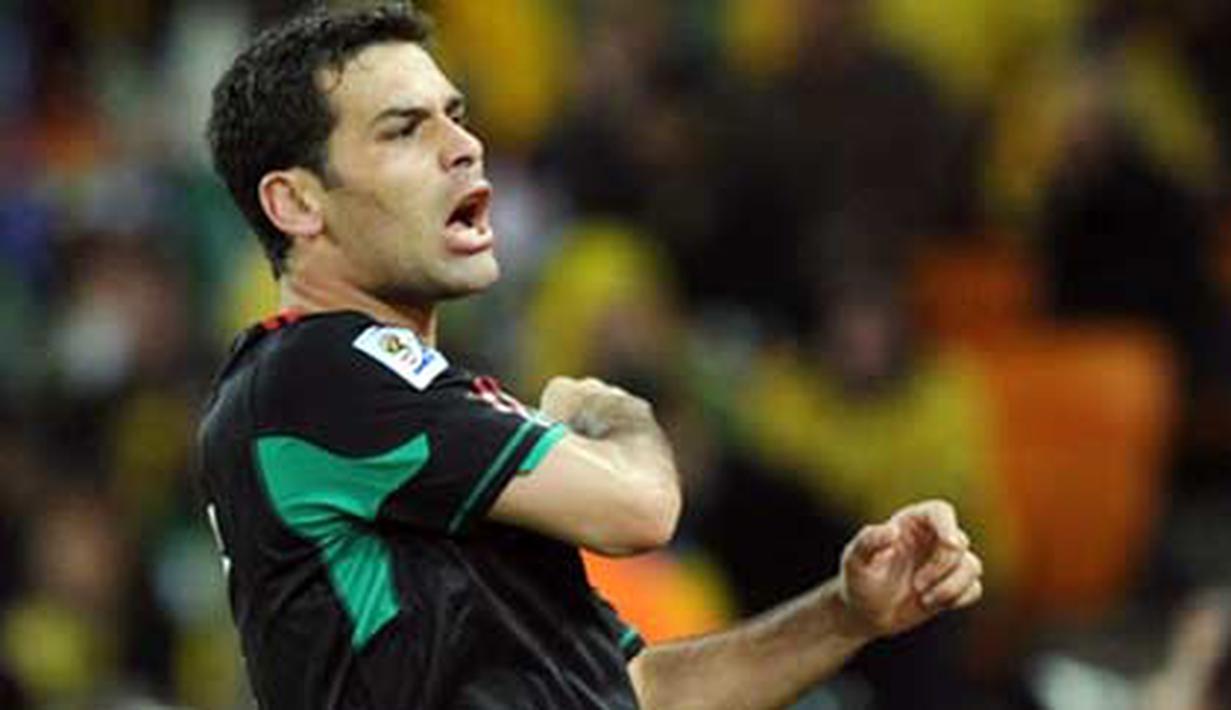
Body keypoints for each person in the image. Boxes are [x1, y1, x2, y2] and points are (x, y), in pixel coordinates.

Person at [198, 5, 983, 708]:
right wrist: (612, 414)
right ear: (296, 203)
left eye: (456, 115)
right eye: (405, 130)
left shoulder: (424, 439)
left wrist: (846, 614)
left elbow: (641, 690)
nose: (465, 146)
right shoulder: (311, 374)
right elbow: (641, 509)